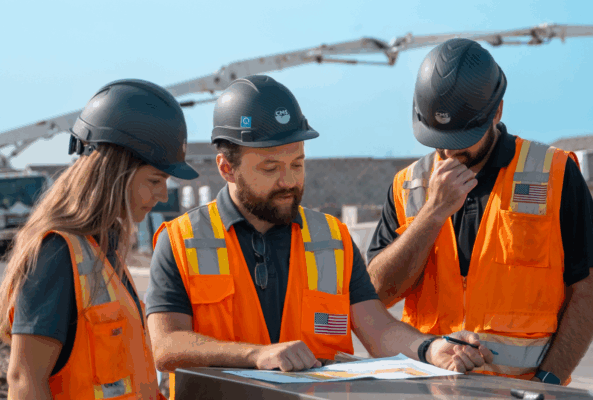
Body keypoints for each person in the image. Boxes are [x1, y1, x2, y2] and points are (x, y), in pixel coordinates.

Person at [145, 75, 494, 399]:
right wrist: (254, 355)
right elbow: (166, 346)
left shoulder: (332, 238)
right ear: (226, 168)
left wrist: (430, 349)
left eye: (297, 164)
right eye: (270, 168)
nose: (289, 181)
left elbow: (378, 328)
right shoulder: (181, 240)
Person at [366, 38, 593, 385]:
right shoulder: (408, 185)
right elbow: (378, 294)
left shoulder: (554, 173)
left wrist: (547, 383)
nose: (449, 151)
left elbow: (590, 291)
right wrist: (432, 214)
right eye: (438, 137)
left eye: (461, 138)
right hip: (426, 386)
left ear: (496, 112)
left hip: (521, 389)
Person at [0, 79, 199, 400]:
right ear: (116, 172)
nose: (161, 194)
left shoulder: (103, 251)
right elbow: (24, 380)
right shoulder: (57, 254)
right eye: (155, 180)